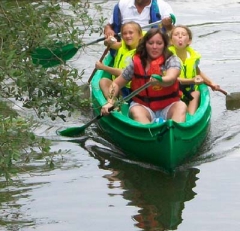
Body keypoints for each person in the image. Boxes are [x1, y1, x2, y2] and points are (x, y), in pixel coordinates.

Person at [101, 28, 187, 124]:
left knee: (181, 106)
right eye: (150, 43)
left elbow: (171, 78)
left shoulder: (172, 59)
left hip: (169, 105)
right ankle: (149, 133)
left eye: (159, 43)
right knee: (135, 110)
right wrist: (110, 102)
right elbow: (116, 84)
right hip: (144, 106)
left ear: (164, 45)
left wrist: (160, 80)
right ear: (145, 44)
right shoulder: (136, 63)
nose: (154, 47)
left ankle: (175, 133)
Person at [169, 25, 221, 115]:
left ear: (189, 41)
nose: (180, 36)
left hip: (190, 91)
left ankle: (191, 116)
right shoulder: (168, 57)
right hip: (173, 92)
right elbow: (170, 78)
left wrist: (211, 83)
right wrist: (192, 80)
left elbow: (198, 72)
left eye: (183, 34)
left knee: (196, 93)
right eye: (176, 34)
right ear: (171, 41)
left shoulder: (192, 56)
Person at [96, 21, 143, 98]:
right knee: (103, 81)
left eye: (131, 33)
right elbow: (110, 45)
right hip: (120, 86)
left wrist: (103, 67)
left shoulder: (142, 52)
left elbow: (125, 73)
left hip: (134, 90)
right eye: (124, 33)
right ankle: (112, 103)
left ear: (140, 35)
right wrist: (107, 41)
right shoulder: (123, 44)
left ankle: (117, 103)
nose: (128, 36)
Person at [104, 0, 175, 38]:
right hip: (125, 47)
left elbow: (172, 30)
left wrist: (168, 25)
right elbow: (109, 26)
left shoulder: (162, 6)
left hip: (151, 49)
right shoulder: (122, 4)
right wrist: (108, 30)